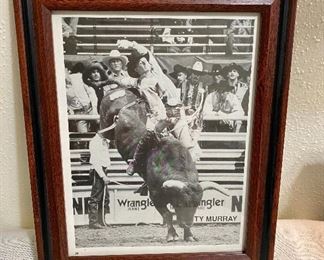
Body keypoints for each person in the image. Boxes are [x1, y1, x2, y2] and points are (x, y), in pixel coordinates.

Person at [65, 61, 98, 133]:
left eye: (63, 70)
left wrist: (94, 108)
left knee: (99, 131)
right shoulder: (59, 85)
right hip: (78, 113)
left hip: (90, 109)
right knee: (83, 135)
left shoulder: (78, 77)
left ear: (67, 70)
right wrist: (69, 109)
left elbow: (91, 93)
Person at [88, 133, 111, 229]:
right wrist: (103, 176)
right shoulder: (95, 142)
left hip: (103, 170)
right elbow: (95, 161)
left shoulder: (105, 140)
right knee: (95, 197)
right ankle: (93, 222)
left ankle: (101, 220)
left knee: (105, 197)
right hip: (97, 171)